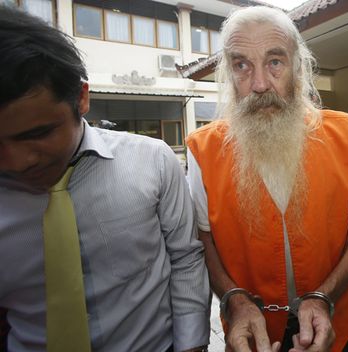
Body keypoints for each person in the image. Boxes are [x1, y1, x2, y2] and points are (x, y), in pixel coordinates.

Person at [0, 6, 210, 351]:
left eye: (37, 133)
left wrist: (192, 344)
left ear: (82, 98)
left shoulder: (153, 160)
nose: (17, 162)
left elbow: (186, 257)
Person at [186, 6, 348, 352]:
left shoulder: (346, 134)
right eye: (241, 65)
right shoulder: (203, 150)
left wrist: (324, 296)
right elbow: (204, 241)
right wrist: (234, 300)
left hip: (339, 325)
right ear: (228, 74)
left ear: (299, 66)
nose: (260, 84)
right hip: (252, 333)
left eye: (275, 62)